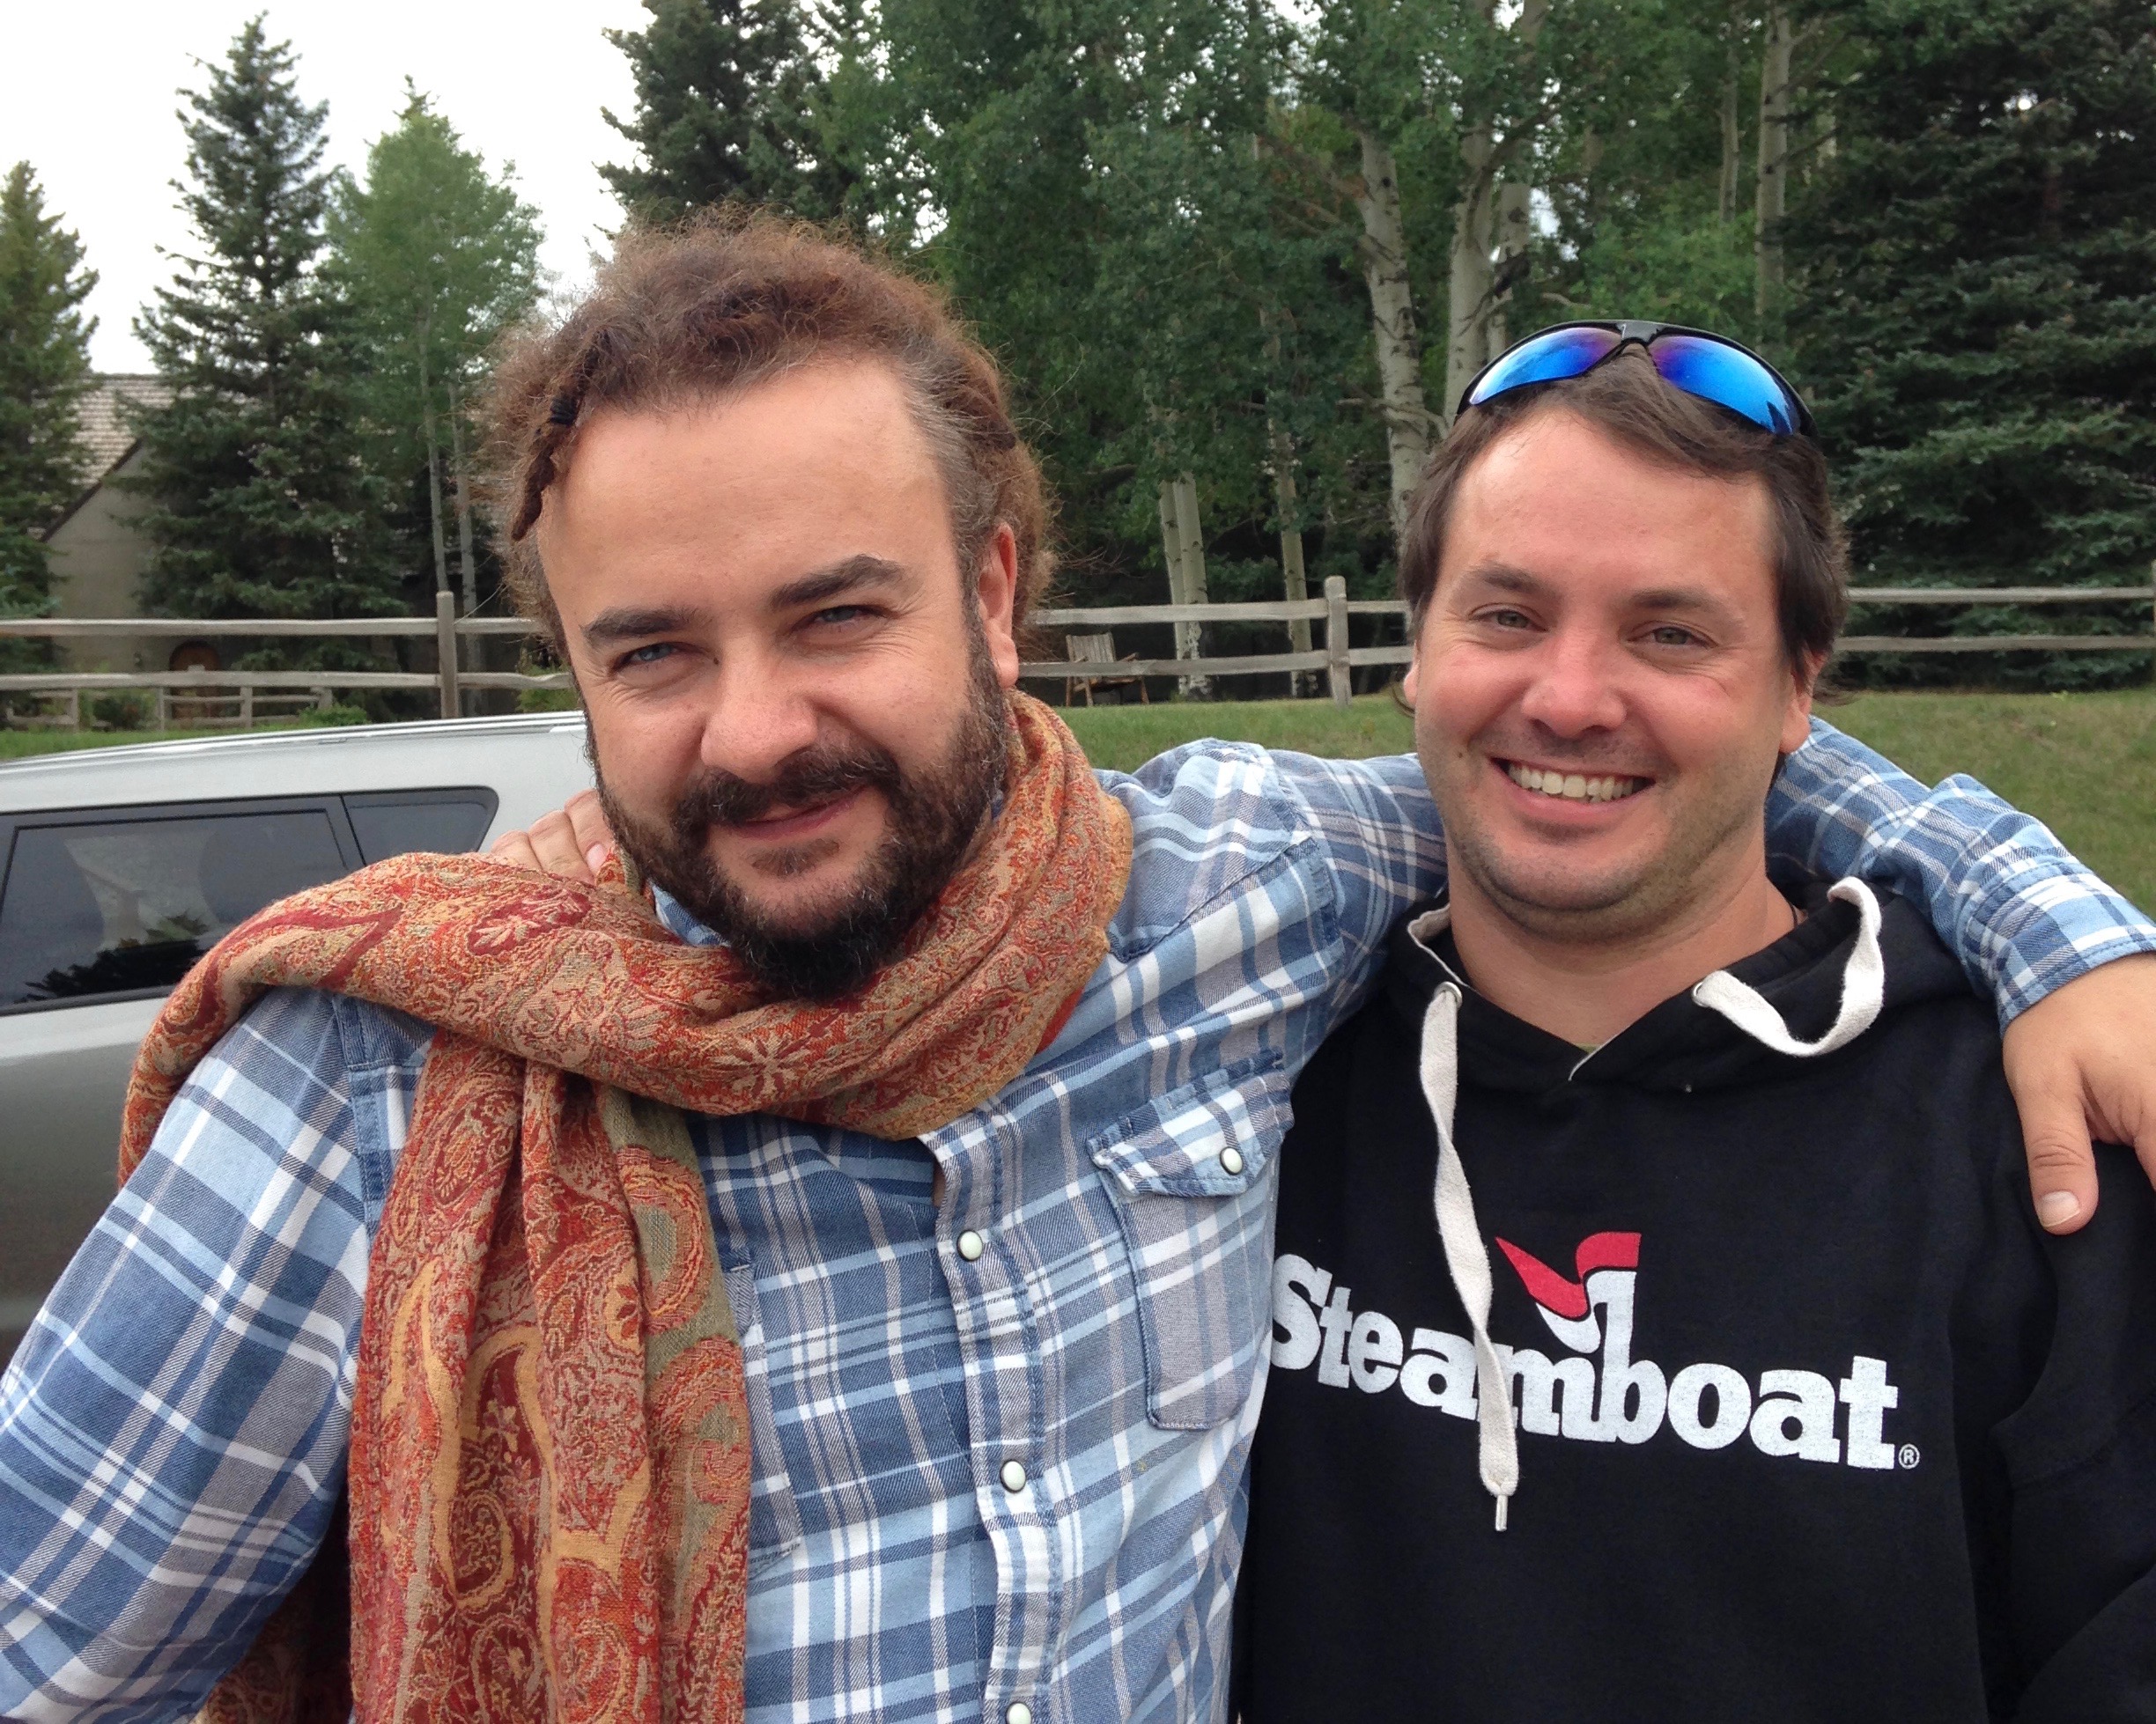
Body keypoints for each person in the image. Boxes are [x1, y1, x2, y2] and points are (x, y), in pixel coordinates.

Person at [1, 228, 2152, 1724]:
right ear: (569, 666)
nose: (753, 730)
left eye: (837, 615)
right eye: (654, 650)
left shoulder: (1225, 893)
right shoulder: (380, 1101)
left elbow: (1621, 741)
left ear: (996, 592)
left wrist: (2056, 922)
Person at [1234, 327, 2156, 1720]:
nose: (1568, 697)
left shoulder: (2035, 1146)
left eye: (1669, 632)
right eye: (1506, 615)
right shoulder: (1245, 1092)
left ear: (1801, 689)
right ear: (1414, 651)